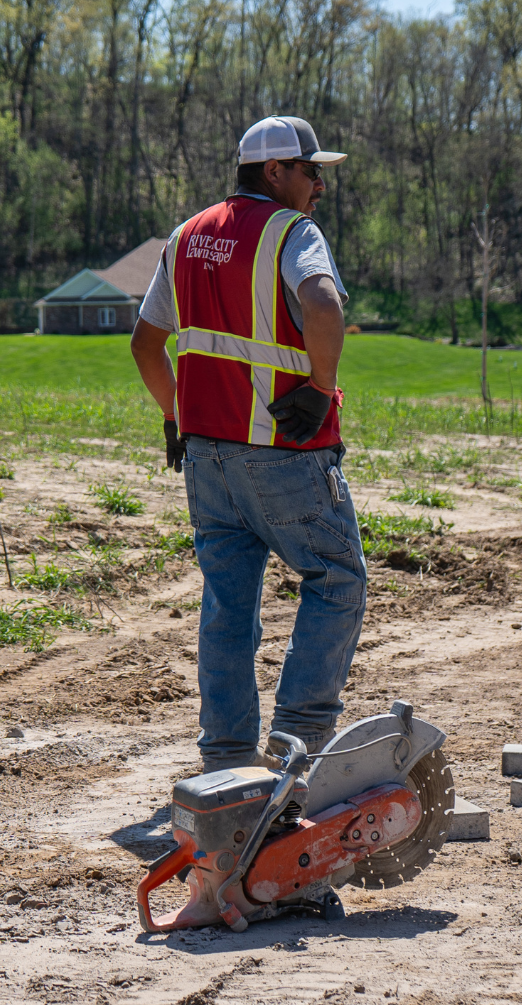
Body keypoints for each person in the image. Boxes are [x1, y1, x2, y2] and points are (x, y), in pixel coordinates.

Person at [130, 115, 365, 772]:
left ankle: (227, 762)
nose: (320, 184)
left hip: (206, 458)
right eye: (312, 170)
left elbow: (146, 343)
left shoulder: (186, 236)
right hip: (284, 453)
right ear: (276, 172)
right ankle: (299, 745)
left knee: (228, 608)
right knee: (338, 579)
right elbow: (322, 305)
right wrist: (321, 387)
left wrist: (175, 419)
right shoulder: (293, 233)